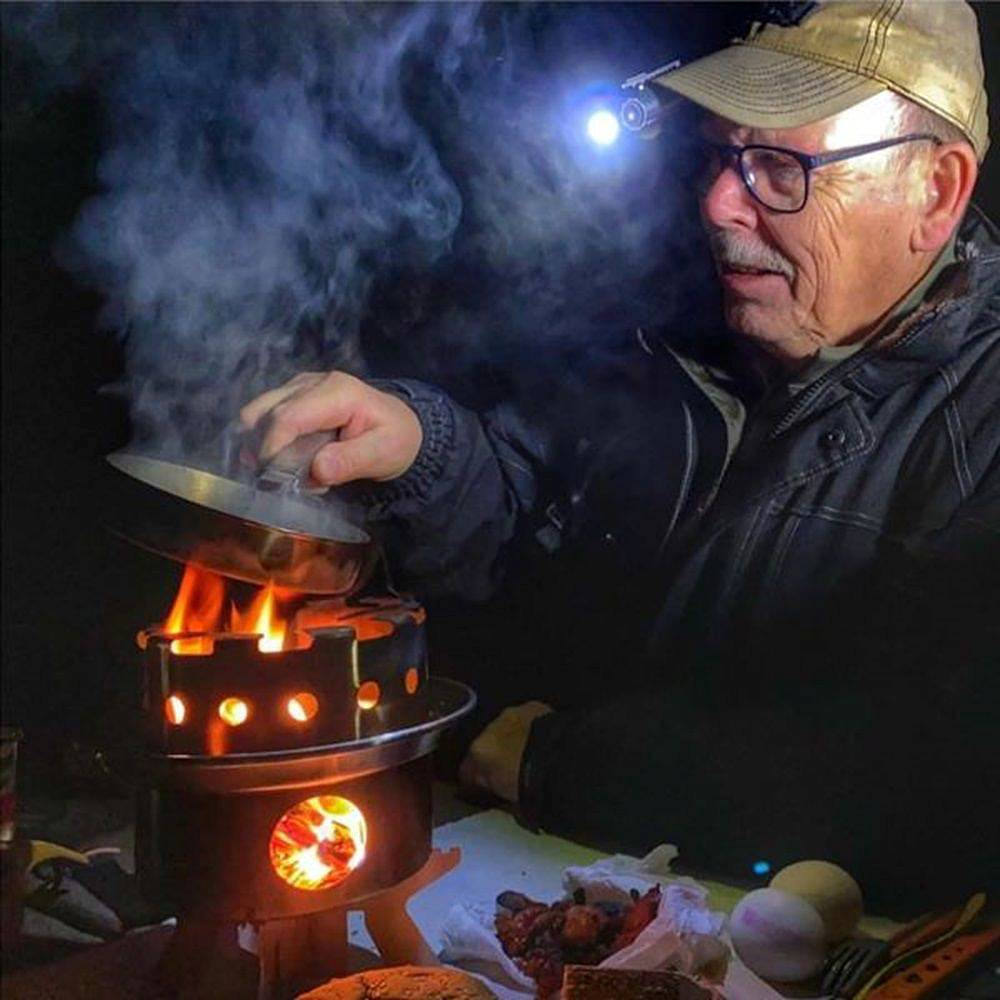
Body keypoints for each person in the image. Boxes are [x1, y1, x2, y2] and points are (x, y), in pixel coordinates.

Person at [241, 1, 998, 913]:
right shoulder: (692, 322)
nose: (718, 203)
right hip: (567, 889)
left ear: (935, 192)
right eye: (719, 156)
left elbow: (927, 785)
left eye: (778, 168)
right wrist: (420, 452)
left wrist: (559, 766)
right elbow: (531, 514)